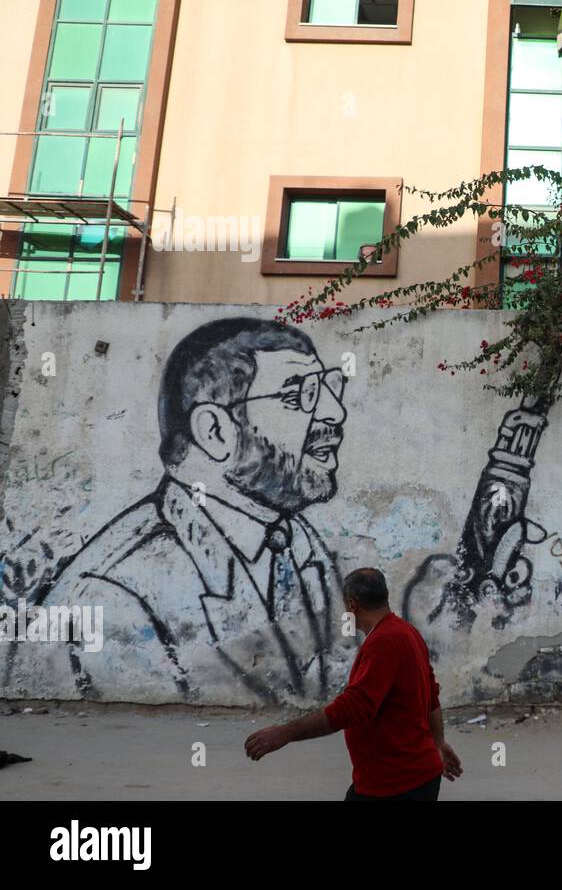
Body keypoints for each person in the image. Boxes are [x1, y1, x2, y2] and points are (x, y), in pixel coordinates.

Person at [39, 317, 349, 705]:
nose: (334, 414)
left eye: (328, 389)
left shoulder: (296, 541)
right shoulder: (113, 590)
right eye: (299, 394)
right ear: (215, 432)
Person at [244, 567, 462, 801]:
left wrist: (285, 733)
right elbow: (432, 695)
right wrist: (438, 743)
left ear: (352, 605)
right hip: (412, 776)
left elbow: (352, 707)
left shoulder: (382, 643)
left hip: (395, 784)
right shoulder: (407, 632)